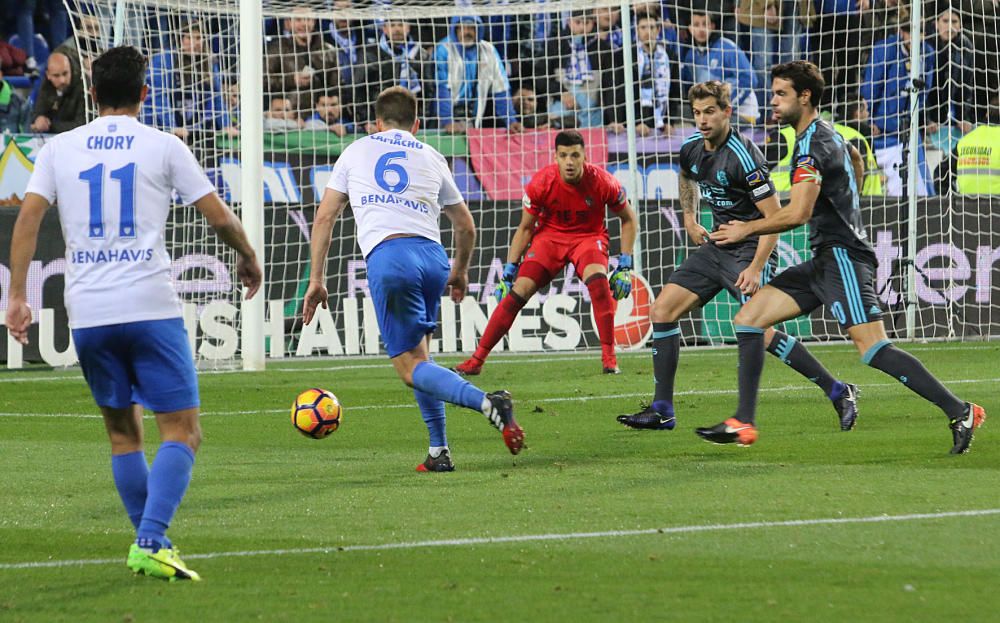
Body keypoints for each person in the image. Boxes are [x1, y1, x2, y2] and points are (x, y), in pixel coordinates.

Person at [4, 46, 262, 580]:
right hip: (149, 305)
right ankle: (150, 538)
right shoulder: (164, 146)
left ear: (92, 93)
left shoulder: (59, 148)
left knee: (124, 436)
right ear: (146, 93)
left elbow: (27, 219)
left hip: (90, 312)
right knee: (183, 432)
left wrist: (17, 296)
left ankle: (149, 543)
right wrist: (248, 255)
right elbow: (218, 217)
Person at [702, 60, 985, 453]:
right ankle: (743, 422)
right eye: (773, 93)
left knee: (873, 349)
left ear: (805, 97)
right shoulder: (824, 136)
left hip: (843, 258)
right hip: (823, 259)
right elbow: (854, 160)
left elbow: (798, 212)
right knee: (749, 321)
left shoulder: (811, 145)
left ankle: (961, 410)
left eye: (781, 94)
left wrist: (745, 228)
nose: (774, 102)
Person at [303, 86, 524, 473]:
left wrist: (316, 279)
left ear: (376, 123)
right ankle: (439, 451)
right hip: (432, 258)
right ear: (416, 125)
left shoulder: (356, 150)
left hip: (390, 258)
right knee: (423, 356)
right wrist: (459, 272)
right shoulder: (433, 155)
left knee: (409, 369)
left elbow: (324, 218)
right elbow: (466, 226)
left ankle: (488, 403)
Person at [617, 80, 857, 431]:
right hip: (716, 245)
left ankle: (837, 390)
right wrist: (689, 218)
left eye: (710, 112)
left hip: (750, 247)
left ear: (727, 112)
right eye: (697, 113)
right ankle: (662, 409)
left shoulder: (745, 158)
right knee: (662, 310)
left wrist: (758, 267)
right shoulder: (691, 148)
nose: (702, 120)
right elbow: (686, 177)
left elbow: (773, 218)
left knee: (756, 327)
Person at [455, 130, 638, 376]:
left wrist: (625, 265)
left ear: (584, 155)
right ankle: (476, 360)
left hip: (588, 238)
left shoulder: (604, 181)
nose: (570, 162)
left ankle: (609, 358)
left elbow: (629, 220)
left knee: (599, 284)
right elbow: (526, 228)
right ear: (556, 157)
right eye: (564, 156)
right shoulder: (541, 183)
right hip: (550, 239)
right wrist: (509, 271)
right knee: (518, 292)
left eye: (575, 155)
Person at [433, 15, 523, 133]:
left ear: (478, 30)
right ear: (455, 29)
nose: (467, 32)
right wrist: (447, 121)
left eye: (471, 28)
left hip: (473, 119)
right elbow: (442, 89)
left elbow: (500, 89)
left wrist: (511, 120)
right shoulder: (443, 50)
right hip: (444, 119)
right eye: (463, 28)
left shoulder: (488, 50)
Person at [681, 5, 759, 124]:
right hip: (713, 113)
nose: (701, 29)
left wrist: (726, 107)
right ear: (689, 28)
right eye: (696, 25)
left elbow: (750, 79)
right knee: (685, 113)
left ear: (712, 26)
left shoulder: (727, 48)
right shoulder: (690, 56)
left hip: (742, 113)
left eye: (705, 24)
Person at [29, 50, 86, 134]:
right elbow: (38, 112)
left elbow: (82, 125)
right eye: (56, 75)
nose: (62, 80)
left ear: (71, 69)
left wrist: (50, 126)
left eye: (65, 73)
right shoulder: (46, 86)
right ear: (48, 75)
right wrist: (39, 119)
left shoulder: (84, 87)